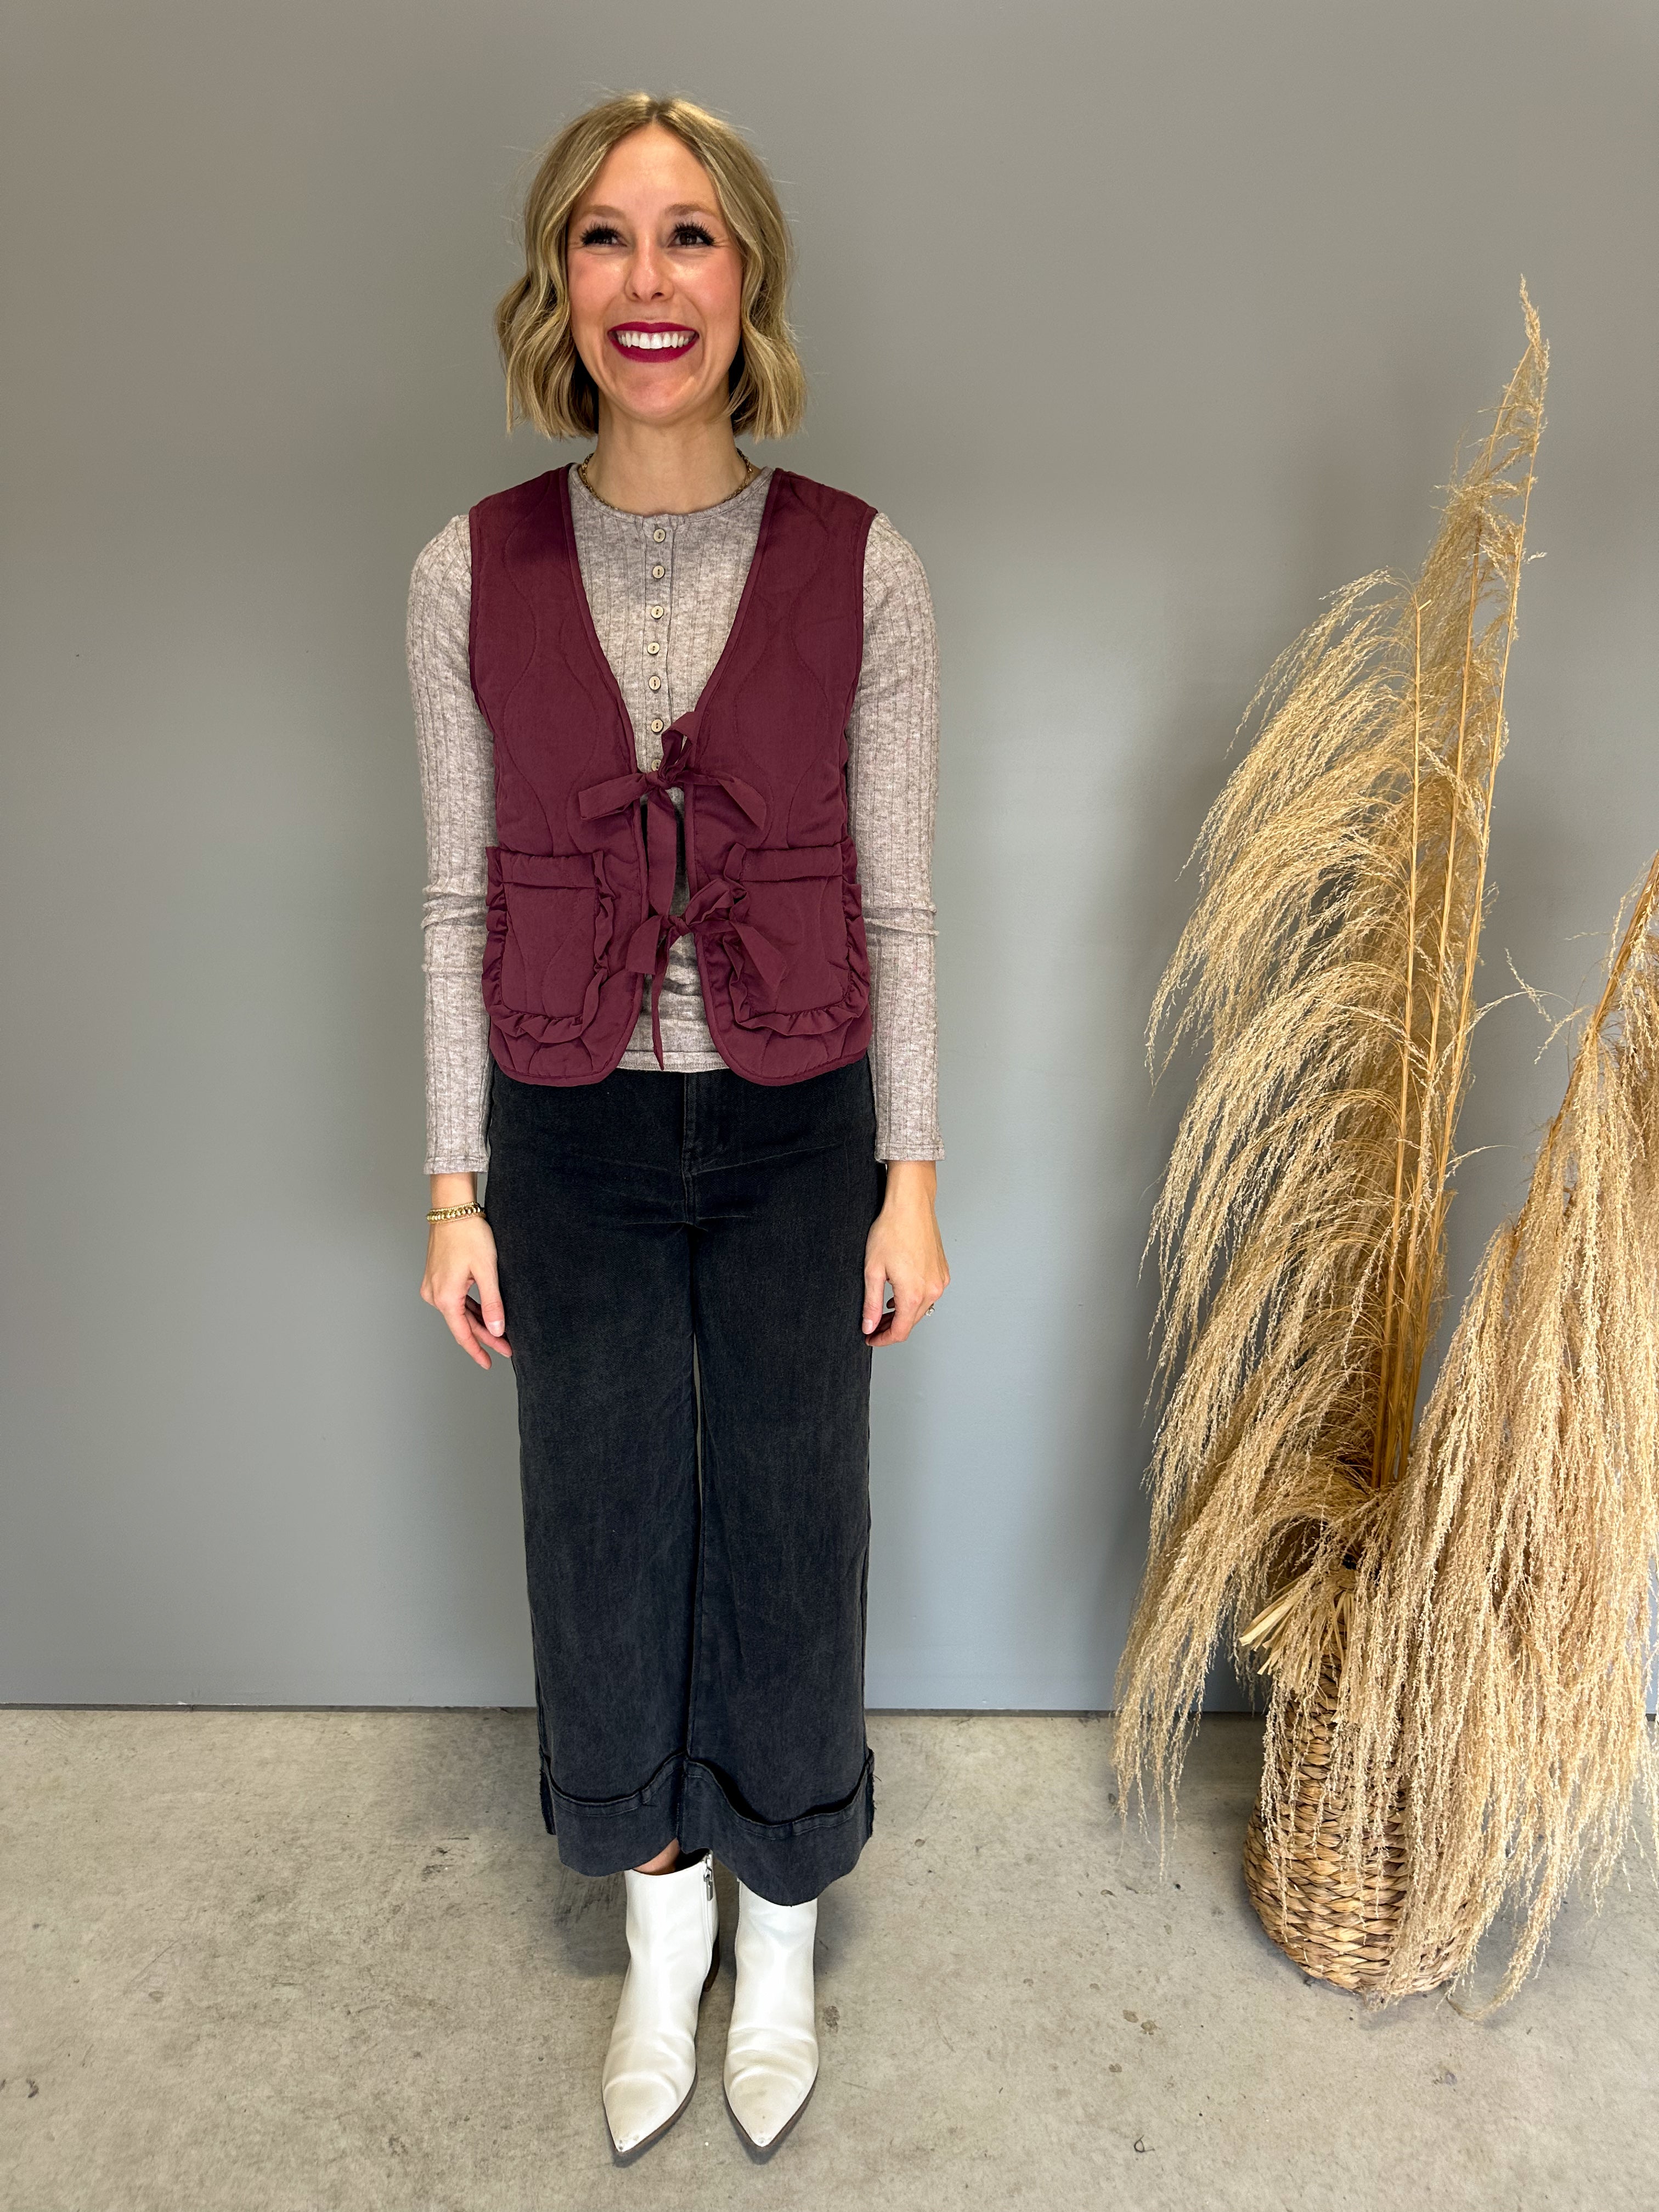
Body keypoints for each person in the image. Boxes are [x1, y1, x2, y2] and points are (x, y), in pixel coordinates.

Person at [407, 91, 946, 2164]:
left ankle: (781, 1929)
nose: (652, 281)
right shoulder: (467, 569)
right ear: (560, 281)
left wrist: (914, 1179)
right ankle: (662, 1929)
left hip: (805, 1124)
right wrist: (452, 1190)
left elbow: (901, 899)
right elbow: (451, 900)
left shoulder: (864, 565)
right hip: (567, 1134)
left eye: (692, 236)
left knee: (800, 1520)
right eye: (609, 237)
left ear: (749, 281)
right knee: (602, 1521)